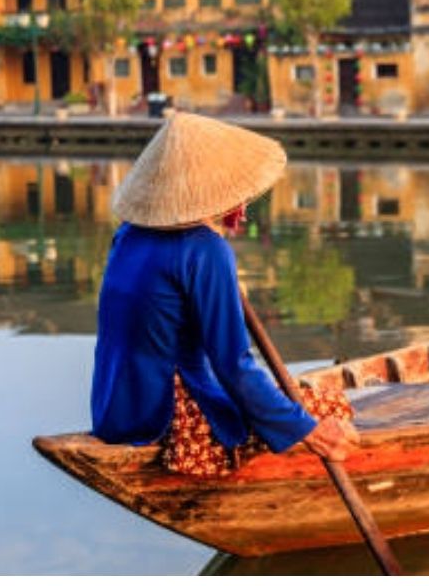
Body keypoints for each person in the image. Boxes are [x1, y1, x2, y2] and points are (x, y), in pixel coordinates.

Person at [91, 112, 358, 477]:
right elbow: (233, 364)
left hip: (114, 409)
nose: (243, 208)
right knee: (333, 406)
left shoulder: (128, 235)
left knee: (296, 397)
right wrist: (308, 431)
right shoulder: (204, 250)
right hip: (168, 416)